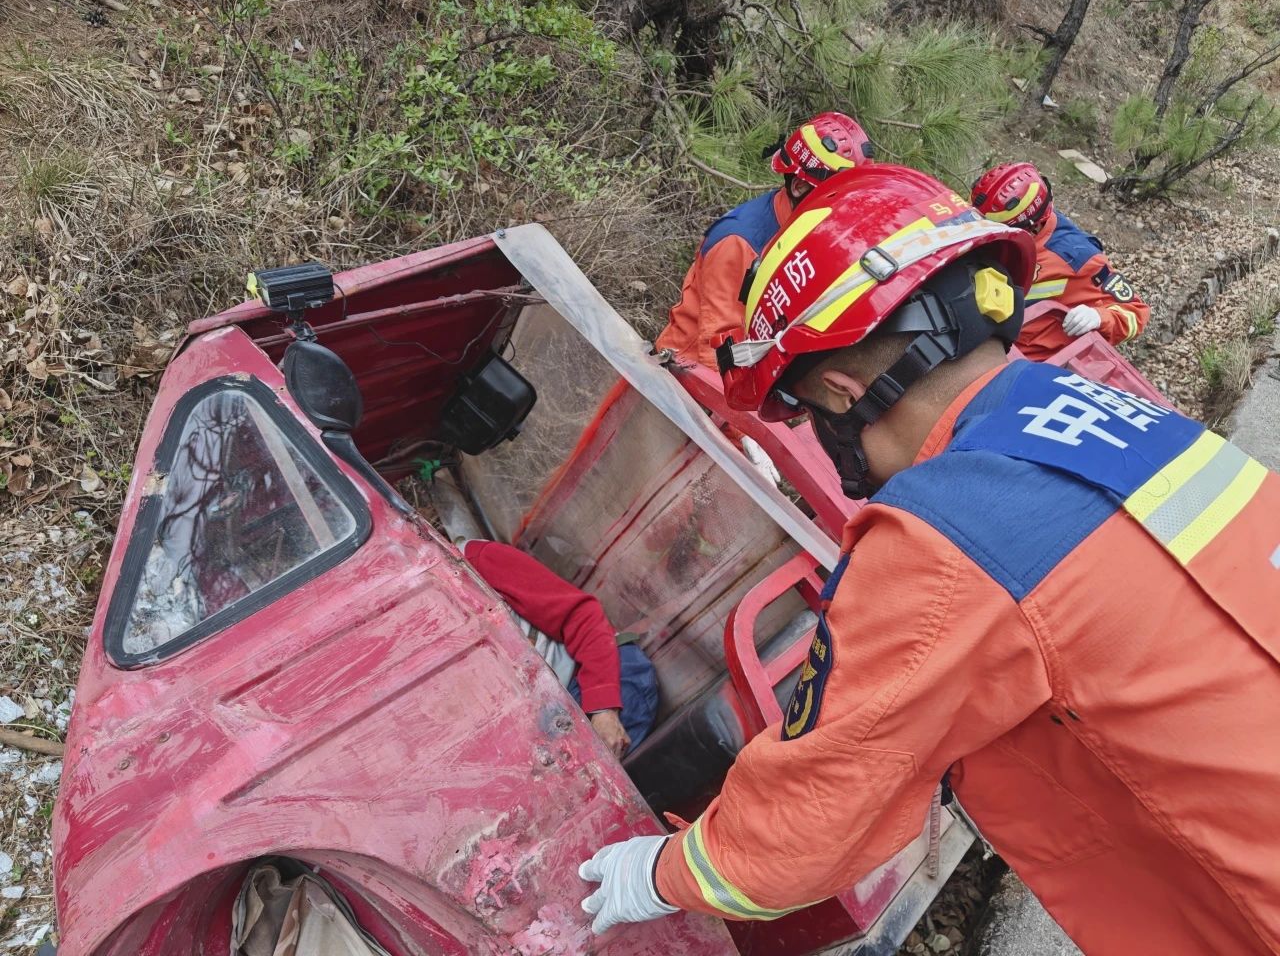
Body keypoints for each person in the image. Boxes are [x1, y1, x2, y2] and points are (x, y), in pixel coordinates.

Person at [579, 165, 1280, 955]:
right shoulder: (1132, 424)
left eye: (806, 415)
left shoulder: (946, 532)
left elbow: (807, 822)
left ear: (841, 394)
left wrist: (658, 873)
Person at [430, 476, 658, 759]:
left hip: (596, 679)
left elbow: (582, 617)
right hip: (546, 720)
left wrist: (603, 709)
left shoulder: (473, 564)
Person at [653, 111, 873, 370]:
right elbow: (720, 354)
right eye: (834, 198)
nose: (840, 212)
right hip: (686, 374)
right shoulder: (740, 244)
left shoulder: (806, 230)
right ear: (799, 187)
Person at [970, 161, 1150, 361]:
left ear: (1028, 227)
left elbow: (1136, 312)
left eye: (995, 230)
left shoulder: (1077, 257)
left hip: (1020, 355)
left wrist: (1099, 317)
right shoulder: (1009, 227)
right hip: (980, 326)